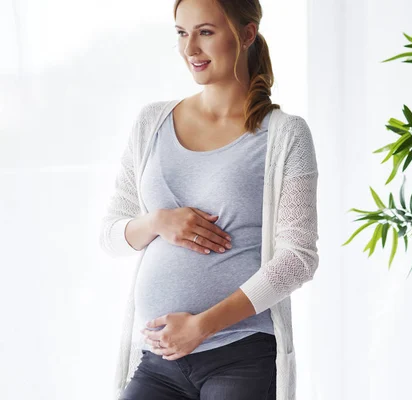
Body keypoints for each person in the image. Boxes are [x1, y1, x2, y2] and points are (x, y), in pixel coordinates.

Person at [98, 0, 319, 399]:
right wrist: (157, 222)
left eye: (205, 32)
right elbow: (111, 236)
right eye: (182, 34)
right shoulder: (152, 123)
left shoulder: (286, 136)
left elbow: (298, 259)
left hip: (240, 357)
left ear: (247, 33)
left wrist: (202, 326)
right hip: (158, 360)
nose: (190, 50)